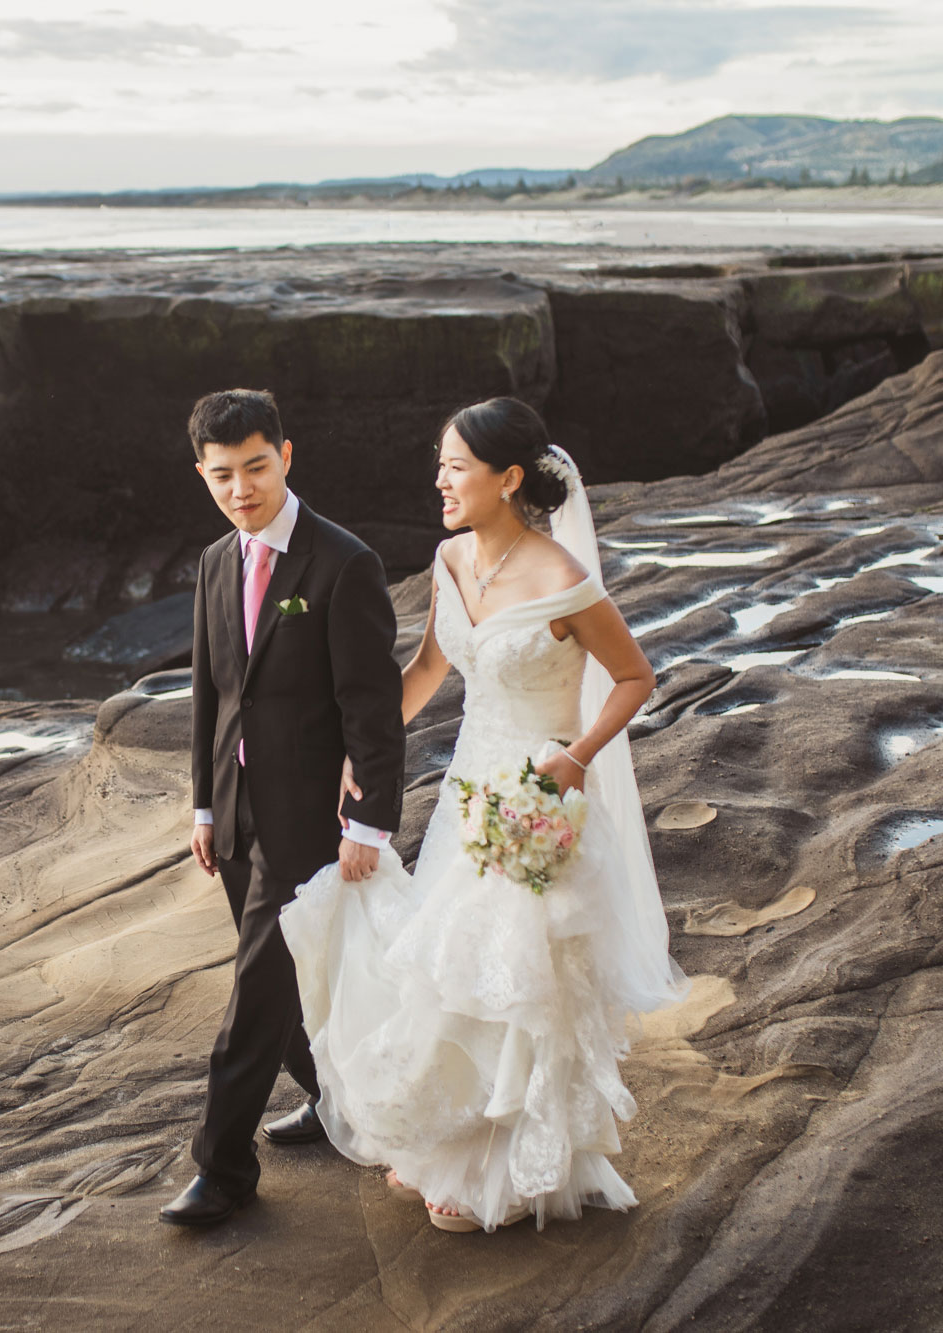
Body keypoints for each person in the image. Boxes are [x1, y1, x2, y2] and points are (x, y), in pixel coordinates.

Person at [279, 396, 687, 1233]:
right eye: (440, 462)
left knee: (519, 979)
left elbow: (637, 678)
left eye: (455, 465)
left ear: (507, 478)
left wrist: (574, 758)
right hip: (470, 785)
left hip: (536, 795)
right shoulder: (452, 559)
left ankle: (507, 1166)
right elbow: (430, 667)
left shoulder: (564, 580)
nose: (439, 479)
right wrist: (364, 744)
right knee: (452, 972)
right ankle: (449, 1145)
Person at [159, 389, 407, 1228]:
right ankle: (337, 1101)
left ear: (287, 456)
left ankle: (223, 1170)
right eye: (223, 474)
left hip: (307, 821)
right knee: (292, 982)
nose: (242, 488)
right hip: (233, 815)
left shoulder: (344, 563)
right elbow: (209, 694)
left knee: (254, 995)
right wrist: (201, 803)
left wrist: (369, 821)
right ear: (202, 474)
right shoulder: (213, 561)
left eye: (256, 467)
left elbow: (372, 707)